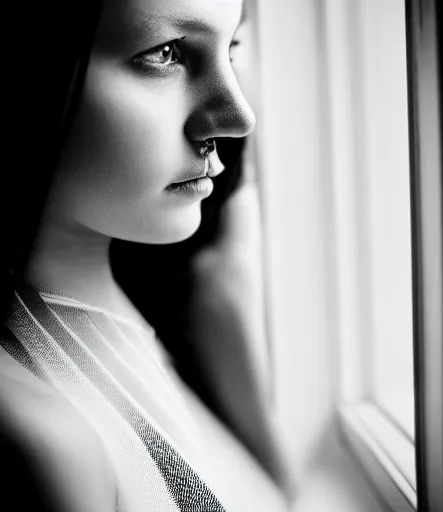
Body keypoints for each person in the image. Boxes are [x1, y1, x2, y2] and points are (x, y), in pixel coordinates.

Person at [0, 0, 295, 510]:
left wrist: (226, 290)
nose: (237, 117)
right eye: (166, 52)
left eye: (232, 47)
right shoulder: (48, 439)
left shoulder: (143, 322)